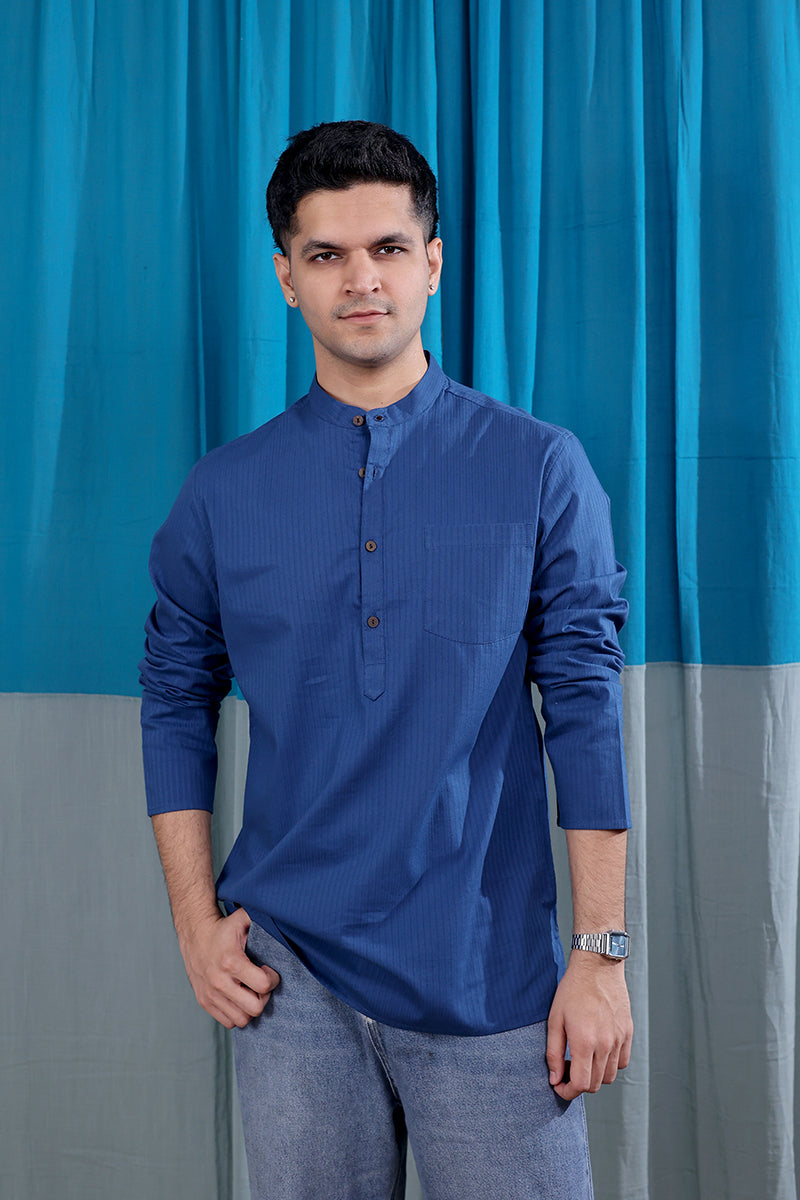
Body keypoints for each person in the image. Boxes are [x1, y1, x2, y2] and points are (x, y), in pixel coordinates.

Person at [140, 120, 633, 1200]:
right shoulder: (222, 493)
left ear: (433, 263)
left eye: (388, 249)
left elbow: (584, 708)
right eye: (326, 255)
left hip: (487, 974)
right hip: (288, 976)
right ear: (286, 278)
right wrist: (193, 924)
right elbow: (174, 697)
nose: (361, 279)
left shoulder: (539, 468)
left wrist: (600, 953)